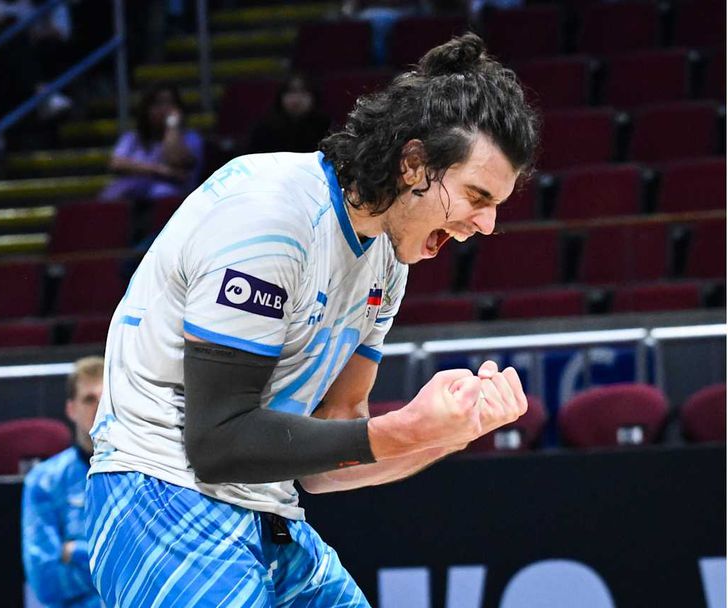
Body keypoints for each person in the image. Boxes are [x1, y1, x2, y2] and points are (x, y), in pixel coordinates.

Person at [86, 33, 538, 607]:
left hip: (266, 511)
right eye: (477, 196)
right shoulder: (271, 216)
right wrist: (408, 428)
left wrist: (445, 434)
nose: (488, 225)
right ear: (413, 164)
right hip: (159, 494)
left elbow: (327, 462)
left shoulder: (387, 261)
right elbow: (217, 441)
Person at [22, 357, 104, 608]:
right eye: (89, 399)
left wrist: (74, 552)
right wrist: (114, 565)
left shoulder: (140, 474)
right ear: (71, 409)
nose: (99, 408)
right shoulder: (44, 481)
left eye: (106, 398)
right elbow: (45, 582)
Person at [98, 84, 204, 203]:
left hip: (173, 201)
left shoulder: (191, 138)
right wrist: (160, 170)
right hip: (134, 198)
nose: (165, 108)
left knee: (162, 193)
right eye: (158, 103)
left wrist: (172, 125)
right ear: (146, 109)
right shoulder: (132, 138)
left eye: (170, 103)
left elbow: (176, 160)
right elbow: (116, 163)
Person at [247, 73, 332, 155]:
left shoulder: (326, 127)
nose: (296, 99)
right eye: (291, 92)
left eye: (303, 92)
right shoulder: (264, 130)